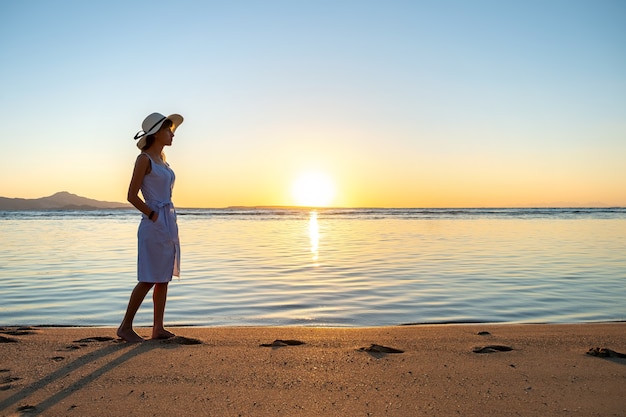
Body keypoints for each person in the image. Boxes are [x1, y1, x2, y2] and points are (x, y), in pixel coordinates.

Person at [117, 112, 184, 342]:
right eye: (168, 130)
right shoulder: (144, 159)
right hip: (154, 223)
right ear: (156, 133)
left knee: (163, 277)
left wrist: (164, 218)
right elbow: (131, 195)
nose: (172, 134)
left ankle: (158, 328)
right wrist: (153, 214)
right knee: (148, 277)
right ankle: (125, 327)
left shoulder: (163, 160)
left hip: (167, 222)